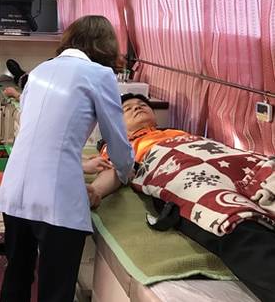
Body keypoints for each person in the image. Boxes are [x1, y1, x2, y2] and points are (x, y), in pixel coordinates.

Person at [0, 15, 135, 302]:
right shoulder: (100, 75)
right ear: (106, 46)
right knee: (56, 290)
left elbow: (40, 136)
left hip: (15, 191)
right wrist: (126, 172)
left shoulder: (40, 71)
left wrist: (81, 164)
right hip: (56, 199)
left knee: (17, 276)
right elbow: (117, 141)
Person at [91, 93, 275, 302]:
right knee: (231, 221)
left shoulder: (180, 133)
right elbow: (114, 171)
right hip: (182, 175)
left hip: (231, 162)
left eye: (142, 104)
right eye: (127, 108)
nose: (137, 107)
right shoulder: (120, 145)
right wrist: (96, 191)